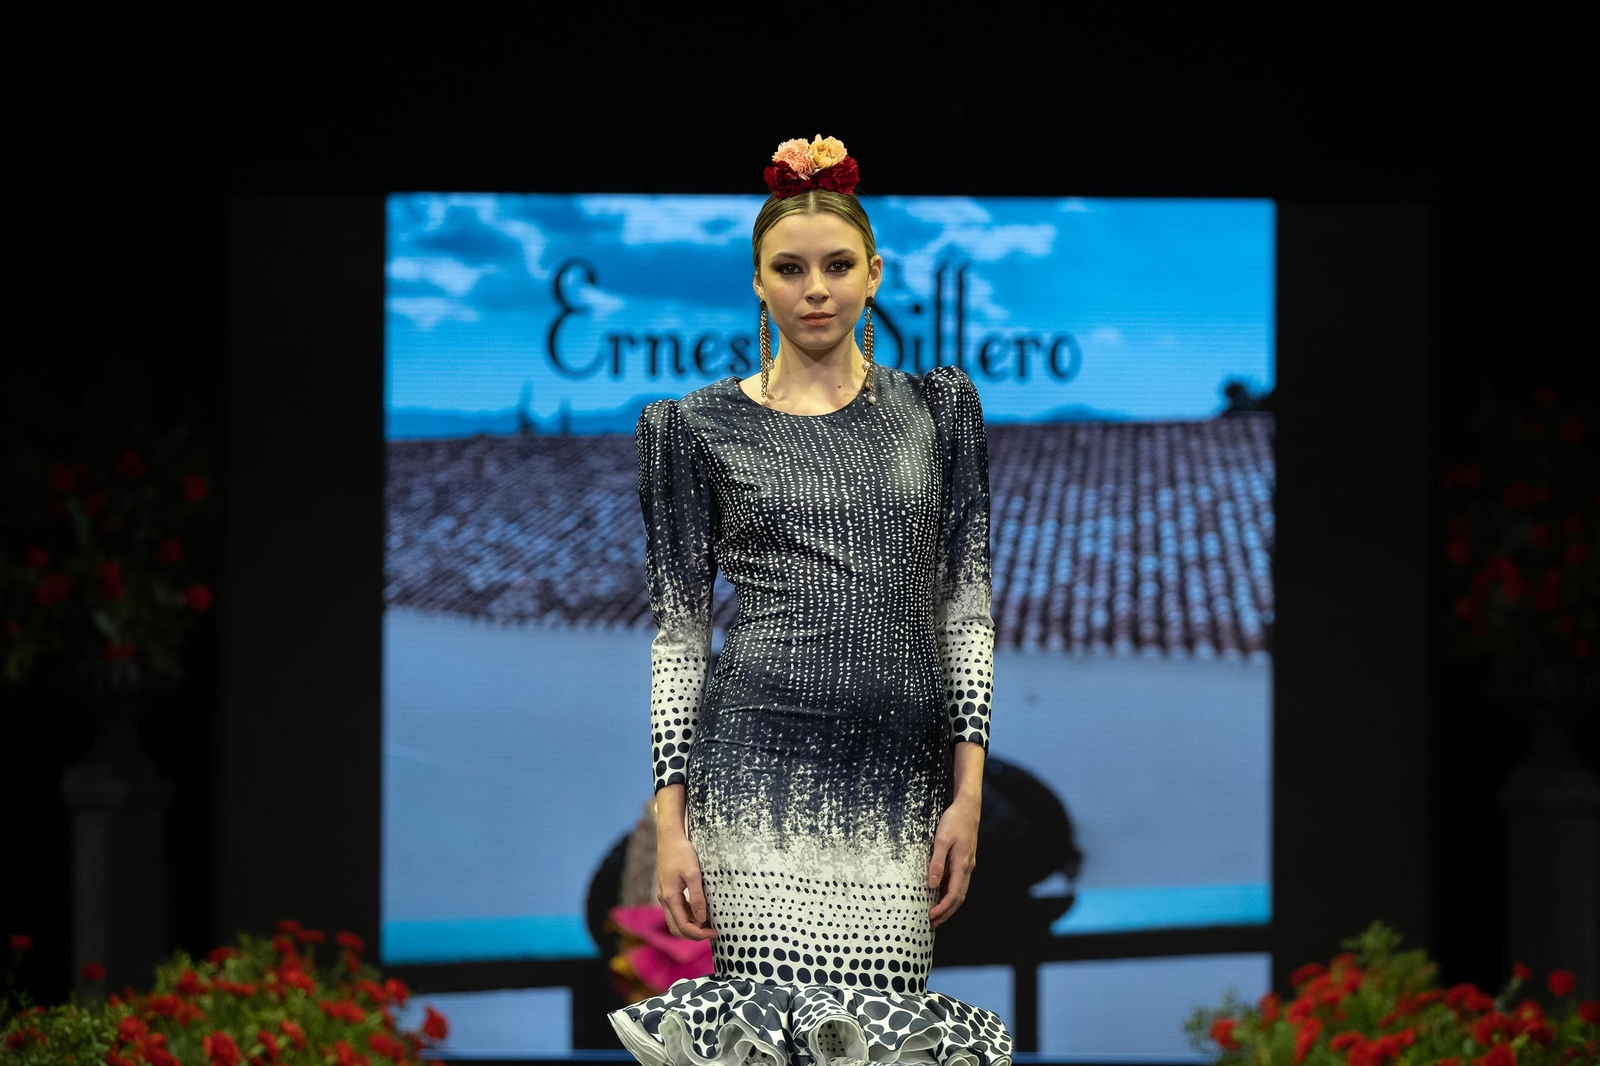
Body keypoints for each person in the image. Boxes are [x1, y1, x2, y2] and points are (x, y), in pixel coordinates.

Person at [608, 135, 1013, 1066]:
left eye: (837, 265)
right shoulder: (694, 426)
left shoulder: (938, 410)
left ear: (875, 273)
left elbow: (964, 614)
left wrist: (968, 796)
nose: (816, 289)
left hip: (898, 786)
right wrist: (671, 823)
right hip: (752, 783)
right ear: (758, 283)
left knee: (883, 1039)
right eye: (790, 269)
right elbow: (680, 639)